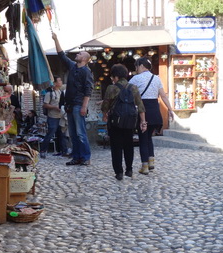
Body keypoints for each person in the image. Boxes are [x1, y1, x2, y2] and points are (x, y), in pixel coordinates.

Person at [51, 32, 93, 166]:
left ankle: (85, 157)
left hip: (78, 104)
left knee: (81, 133)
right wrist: (56, 39)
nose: (78, 54)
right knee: (73, 134)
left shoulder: (86, 72)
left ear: (85, 59)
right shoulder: (73, 66)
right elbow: (61, 55)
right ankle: (77, 157)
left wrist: (84, 106)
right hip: (70, 105)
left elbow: (88, 90)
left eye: (80, 54)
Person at [129, 57, 174, 174]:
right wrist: (170, 109)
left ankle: (144, 166)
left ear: (142, 66)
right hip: (155, 111)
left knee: (143, 139)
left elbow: (126, 92)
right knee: (149, 137)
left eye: (137, 66)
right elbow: (163, 96)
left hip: (143, 111)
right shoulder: (157, 79)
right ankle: (151, 161)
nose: (136, 69)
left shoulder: (135, 79)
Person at [102, 64, 145, 180]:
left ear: (115, 76)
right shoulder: (133, 87)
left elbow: (105, 104)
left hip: (115, 121)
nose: (112, 79)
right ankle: (129, 169)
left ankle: (119, 172)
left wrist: (104, 115)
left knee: (116, 147)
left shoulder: (111, 88)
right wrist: (143, 121)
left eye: (112, 77)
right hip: (130, 121)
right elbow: (140, 105)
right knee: (128, 145)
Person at [40, 77, 67, 158]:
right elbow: (45, 104)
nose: (61, 82)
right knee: (50, 134)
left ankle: (63, 151)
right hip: (52, 117)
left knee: (62, 134)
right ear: (55, 83)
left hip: (61, 116)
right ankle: (43, 150)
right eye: (59, 80)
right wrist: (55, 107)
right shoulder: (49, 94)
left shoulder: (60, 92)